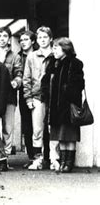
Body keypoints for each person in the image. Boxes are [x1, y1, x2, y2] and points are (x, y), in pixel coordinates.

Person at [41, 38, 84, 173]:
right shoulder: (53, 63)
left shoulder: (75, 63)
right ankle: (63, 161)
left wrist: (66, 91)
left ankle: (68, 163)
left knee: (69, 135)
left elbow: (79, 84)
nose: (53, 50)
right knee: (60, 135)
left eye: (56, 48)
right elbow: (45, 81)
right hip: (55, 105)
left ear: (65, 49)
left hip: (68, 105)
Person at [23, 26, 54, 170]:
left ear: (50, 39)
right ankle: (38, 159)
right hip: (37, 97)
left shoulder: (55, 55)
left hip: (53, 97)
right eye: (40, 37)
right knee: (37, 130)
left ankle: (53, 158)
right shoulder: (32, 56)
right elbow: (26, 79)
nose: (42, 40)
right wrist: (28, 98)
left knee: (52, 128)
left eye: (45, 37)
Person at [0, 26, 23, 155]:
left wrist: (16, 82)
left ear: (9, 39)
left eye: (5, 36)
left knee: (7, 127)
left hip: (9, 95)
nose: (2, 39)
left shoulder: (15, 56)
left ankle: (5, 156)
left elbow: (19, 73)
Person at [17, 30, 36, 167]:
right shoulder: (18, 56)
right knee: (27, 126)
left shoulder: (37, 55)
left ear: (33, 41)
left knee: (39, 126)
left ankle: (43, 156)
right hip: (23, 93)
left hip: (37, 93)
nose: (23, 42)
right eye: (21, 40)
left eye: (26, 39)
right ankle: (31, 156)